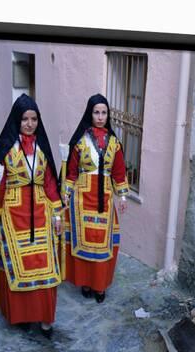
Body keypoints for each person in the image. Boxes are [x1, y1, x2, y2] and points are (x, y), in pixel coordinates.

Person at [0, 94, 62, 339]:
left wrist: (58, 215)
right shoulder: (7, 149)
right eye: (25, 119)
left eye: (34, 119)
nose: (29, 123)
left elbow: (50, 183)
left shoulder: (42, 148)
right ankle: (23, 317)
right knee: (17, 267)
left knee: (46, 267)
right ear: (16, 120)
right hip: (12, 213)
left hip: (41, 212)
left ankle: (46, 318)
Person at [63, 94, 129, 303]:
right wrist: (65, 193)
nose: (100, 117)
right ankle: (86, 282)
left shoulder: (114, 143)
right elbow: (72, 171)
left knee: (102, 244)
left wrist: (123, 196)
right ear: (89, 114)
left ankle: (100, 286)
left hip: (105, 199)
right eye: (96, 112)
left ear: (108, 115)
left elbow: (119, 171)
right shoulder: (80, 142)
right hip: (82, 199)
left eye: (104, 113)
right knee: (84, 242)